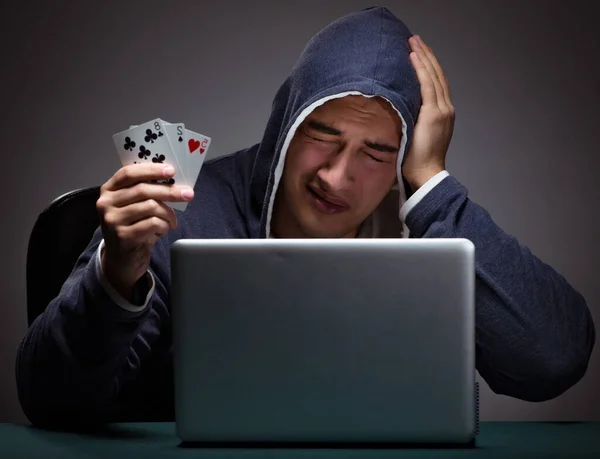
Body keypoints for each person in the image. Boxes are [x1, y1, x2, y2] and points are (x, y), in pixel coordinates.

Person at [16, 7, 595, 427]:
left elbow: (554, 361)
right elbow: (51, 401)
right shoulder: (178, 208)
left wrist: (435, 190)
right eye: (322, 134)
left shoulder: (422, 229)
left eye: (376, 153)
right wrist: (117, 273)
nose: (337, 178)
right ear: (286, 122)